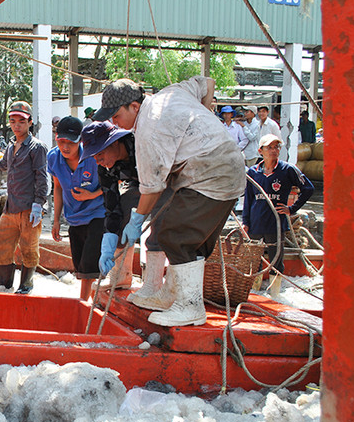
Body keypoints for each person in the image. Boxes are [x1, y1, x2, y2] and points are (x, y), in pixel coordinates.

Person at [93, 76, 245, 327]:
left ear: (135, 106)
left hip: (210, 172)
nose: (114, 122)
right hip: (226, 166)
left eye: (116, 115)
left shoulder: (147, 131)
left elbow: (152, 189)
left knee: (171, 231)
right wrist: (203, 125)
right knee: (187, 235)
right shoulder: (172, 93)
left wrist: (136, 220)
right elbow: (207, 83)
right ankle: (171, 295)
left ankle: (190, 306)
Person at [80, 121, 169, 303]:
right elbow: (111, 205)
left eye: (100, 153)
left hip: (168, 181)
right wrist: (109, 238)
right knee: (124, 205)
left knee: (161, 221)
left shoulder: (141, 145)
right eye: (94, 156)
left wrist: (138, 220)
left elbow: (158, 183)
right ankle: (120, 276)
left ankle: (153, 284)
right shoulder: (104, 167)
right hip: (140, 185)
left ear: (114, 143)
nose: (97, 160)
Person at [0, 101, 49, 294]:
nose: (17, 125)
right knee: (0, 244)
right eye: (13, 120)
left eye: (22, 121)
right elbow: (2, 165)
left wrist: (39, 204)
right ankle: (3, 286)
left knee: (29, 248)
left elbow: (42, 177)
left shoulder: (37, 147)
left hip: (29, 208)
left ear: (30, 123)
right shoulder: (11, 145)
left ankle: (26, 286)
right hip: (11, 207)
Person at [47, 116, 106, 300]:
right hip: (73, 217)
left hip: (98, 213)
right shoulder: (53, 158)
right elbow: (57, 187)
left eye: (70, 143)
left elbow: (114, 181)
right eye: (61, 141)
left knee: (89, 263)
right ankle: (88, 299)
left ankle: (84, 303)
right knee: (79, 265)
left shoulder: (94, 156)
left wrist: (92, 194)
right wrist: (56, 221)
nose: (65, 147)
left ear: (80, 141)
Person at [242, 134, 314, 275]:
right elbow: (248, 199)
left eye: (276, 147)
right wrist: (246, 221)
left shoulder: (287, 169)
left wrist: (292, 209)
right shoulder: (253, 172)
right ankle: (254, 291)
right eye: (269, 147)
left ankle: (275, 291)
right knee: (253, 262)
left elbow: (308, 188)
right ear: (260, 151)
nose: (274, 150)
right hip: (255, 223)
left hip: (276, 223)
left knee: (276, 262)